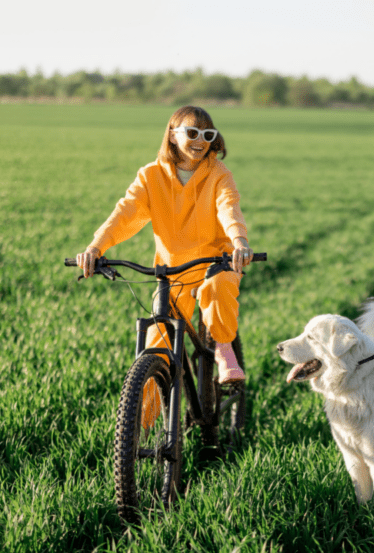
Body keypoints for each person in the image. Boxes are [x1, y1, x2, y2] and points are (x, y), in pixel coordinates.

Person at [77, 105, 253, 384]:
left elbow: (228, 208)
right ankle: (142, 424)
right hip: (171, 269)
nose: (200, 141)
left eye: (208, 134)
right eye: (192, 132)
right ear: (172, 134)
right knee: (157, 346)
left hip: (218, 262)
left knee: (218, 290)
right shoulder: (150, 176)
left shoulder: (220, 174)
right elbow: (125, 214)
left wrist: (239, 241)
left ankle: (223, 349)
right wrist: (95, 248)